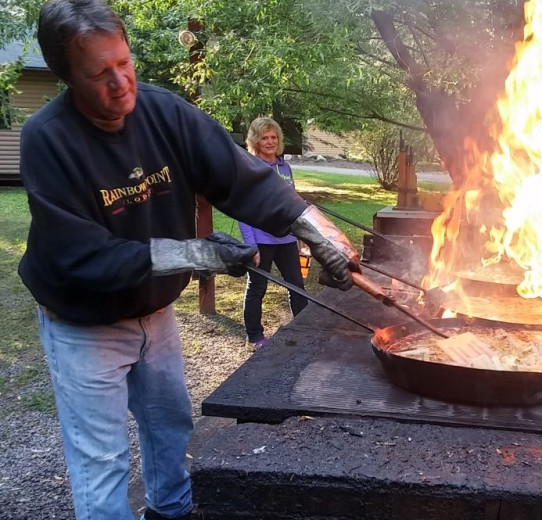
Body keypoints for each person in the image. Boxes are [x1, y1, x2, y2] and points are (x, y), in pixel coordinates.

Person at [17, 1, 359, 519]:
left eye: (124, 63)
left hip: (154, 311)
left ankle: (172, 512)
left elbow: (239, 176)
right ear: (66, 77)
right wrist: (199, 253)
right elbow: (82, 256)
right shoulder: (47, 139)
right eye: (100, 74)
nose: (121, 83)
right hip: (84, 322)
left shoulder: (164, 112)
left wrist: (314, 230)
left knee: (171, 423)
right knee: (102, 460)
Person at [240, 117, 308, 350]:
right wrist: (251, 245)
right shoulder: (250, 168)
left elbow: (294, 204)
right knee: (257, 287)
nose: (269, 142)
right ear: (255, 140)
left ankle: (303, 328)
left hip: (287, 237)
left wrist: (299, 235)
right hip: (261, 239)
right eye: (264, 137)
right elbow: (243, 210)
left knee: (297, 285)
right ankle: (254, 337)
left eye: (273, 137)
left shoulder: (285, 167)